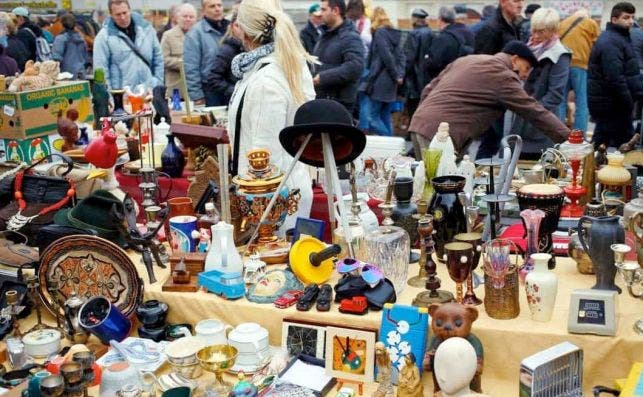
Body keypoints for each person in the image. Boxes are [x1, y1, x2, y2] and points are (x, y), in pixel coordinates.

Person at [227, 0, 315, 232]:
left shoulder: (266, 79)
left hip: (272, 200)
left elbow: (265, 157)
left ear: (244, 31)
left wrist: (255, 213)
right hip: (283, 191)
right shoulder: (283, 64)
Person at [408, 40, 569, 157]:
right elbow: (534, 111)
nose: (525, 75)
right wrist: (569, 138)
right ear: (514, 59)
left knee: (430, 188)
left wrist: (423, 120)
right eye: (526, 68)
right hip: (443, 136)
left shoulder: (466, 60)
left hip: (420, 125)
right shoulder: (503, 76)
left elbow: (428, 89)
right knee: (440, 193)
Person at [511, 8, 571, 159]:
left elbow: (555, 95)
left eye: (541, 32)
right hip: (520, 117)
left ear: (553, 30)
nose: (536, 36)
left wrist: (531, 113)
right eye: (534, 30)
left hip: (540, 121)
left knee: (537, 170)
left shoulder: (560, 55)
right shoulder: (527, 47)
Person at [588, 2, 643, 148]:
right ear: (614, 19)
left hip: (613, 104)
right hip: (612, 104)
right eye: (626, 17)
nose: (631, 21)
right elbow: (614, 77)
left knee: (603, 144)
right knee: (619, 147)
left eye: (632, 17)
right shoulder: (611, 41)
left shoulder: (620, 38)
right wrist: (628, 100)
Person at [474, 0, 524, 159]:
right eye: (516, 0)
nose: (520, 4)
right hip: (491, 96)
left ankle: (484, 177)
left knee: (494, 141)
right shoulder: (491, 29)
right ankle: (479, 177)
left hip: (503, 93)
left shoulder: (513, 26)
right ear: (503, 2)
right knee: (491, 141)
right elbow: (480, 64)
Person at [93, 0, 163, 90]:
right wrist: (109, 98)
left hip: (148, 92)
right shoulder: (104, 37)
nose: (122, 17)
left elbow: (158, 58)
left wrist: (157, 84)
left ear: (130, 10)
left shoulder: (146, 29)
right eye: (118, 14)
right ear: (111, 14)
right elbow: (101, 70)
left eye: (125, 13)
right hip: (122, 95)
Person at [312, 0, 364, 112]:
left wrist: (322, 78)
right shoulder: (324, 35)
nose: (320, 13)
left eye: (324, 9)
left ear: (335, 11)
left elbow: (355, 67)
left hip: (339, 105)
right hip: (322, 100)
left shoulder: (350, 37)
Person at [361, 7, 404, 136]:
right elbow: (402, 57)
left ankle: (391, 142)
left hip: (380, 80)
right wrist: (399, 75)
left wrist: (395, 74)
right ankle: (392, 150)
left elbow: (386, 56)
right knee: (385, 116)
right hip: (391, 83)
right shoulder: (395, 35)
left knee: (372, 118)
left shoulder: (380, 33)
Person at [557, 9, 599, 133]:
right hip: (580, 65)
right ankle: (579, 137)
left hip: (562, 65)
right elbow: (597, 45)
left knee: (560, 102)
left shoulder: (562, 23)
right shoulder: (590, 23)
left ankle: (557, 133)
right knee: (582, 103)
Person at [183, 0, 230, 106]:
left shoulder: (231, 28)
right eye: (212, 6)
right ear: (203, 11)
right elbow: (190, 68)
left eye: (219, 5)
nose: (217, 9)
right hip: (210, 91)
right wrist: (197, 96)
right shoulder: (195, 34)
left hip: (230, 87)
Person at [426, 7, 474, 81]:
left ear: (440, 19)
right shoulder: (468, 32)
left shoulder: (442, 38)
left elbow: (434, 63)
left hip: (446, 80)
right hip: (466, 77)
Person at [206, 13, 244, 105]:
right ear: (232, 27)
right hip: (231, 101)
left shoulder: (244, 48)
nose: (241, 29)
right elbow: (213, 78)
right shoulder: (227, 50)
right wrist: (234, 90)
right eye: (237, 25)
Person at [160, 3, 197, 97]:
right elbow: (163, 59)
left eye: (191, 17)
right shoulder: (168, 35)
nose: (188, 19)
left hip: (196, 90)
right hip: (176, 90)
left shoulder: (199, 37)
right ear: (178, 18)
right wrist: (184, 63)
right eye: (185, 16)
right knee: (178, 111)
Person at [404, 8, 432, 119]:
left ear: (415, 19)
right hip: (426, 77)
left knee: (412, 110)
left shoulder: (414, 34)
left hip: (413, 79)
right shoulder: (430, 33)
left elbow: (409, 58)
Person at [52, 13, 89, 77]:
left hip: (66, 76)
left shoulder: (60, 39)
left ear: (62, 24)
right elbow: (85, 58)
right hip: (81, 73)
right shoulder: (81, 39)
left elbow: (56, 59)